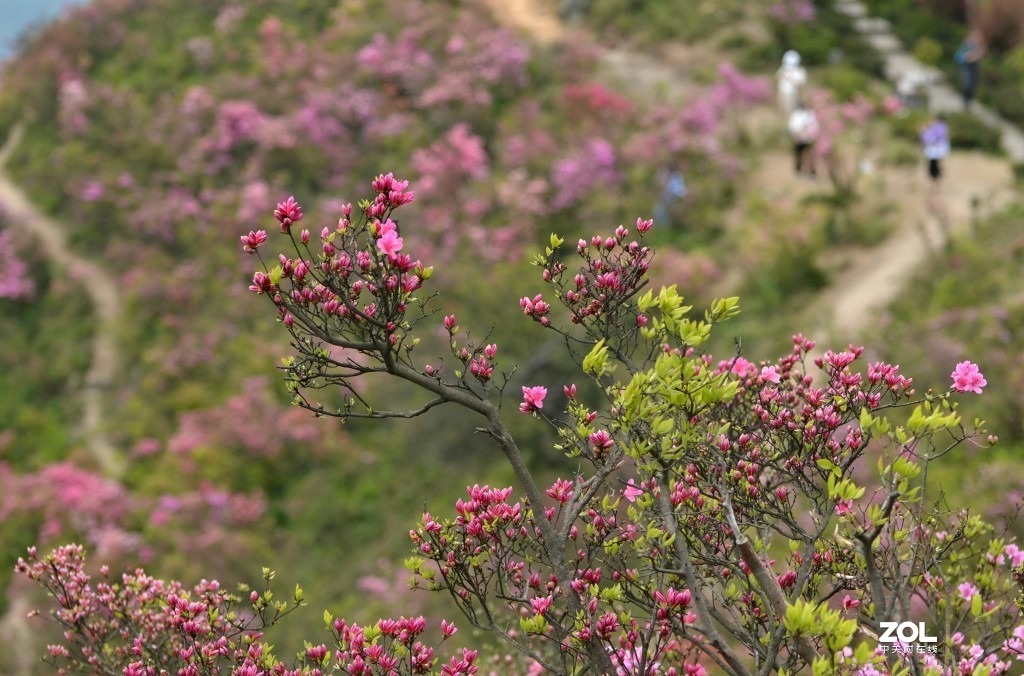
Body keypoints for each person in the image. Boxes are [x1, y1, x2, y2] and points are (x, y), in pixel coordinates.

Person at [955, 29, 985, 110]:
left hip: (973, 68)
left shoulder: (977, 46)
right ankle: (965, 102)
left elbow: (979, 56)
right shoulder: (968, 44)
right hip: (967, 67)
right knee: (967, 84)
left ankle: (967, 102)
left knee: (973, 85)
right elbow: (963, 56)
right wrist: (970, 56)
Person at [788, 103, 819, 177]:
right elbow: (792, 126)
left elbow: (815, 125)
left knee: (810, 156)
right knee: (798, 154)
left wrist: (810, 133)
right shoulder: (796, 114)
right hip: (799, 138)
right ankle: (798, 170)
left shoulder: (811, 114)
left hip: (809, 138)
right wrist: (797, 134)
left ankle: (812, 172)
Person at [775, 50, 807, 116]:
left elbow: (800, 82)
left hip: (793, 93)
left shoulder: (799, 71)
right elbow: (778, 76)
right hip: (783, 92)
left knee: (792, 112)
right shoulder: (783, 69)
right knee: (783, 111)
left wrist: (790, 79)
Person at [920, 113, 950, 183]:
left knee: (935, 164)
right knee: (933, 164)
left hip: (936, 149)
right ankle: (935, 175)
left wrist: (925, 134)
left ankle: (936, 177)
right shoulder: (932, 126)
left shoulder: (940, 127)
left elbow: (936, 138)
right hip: (932, 149)